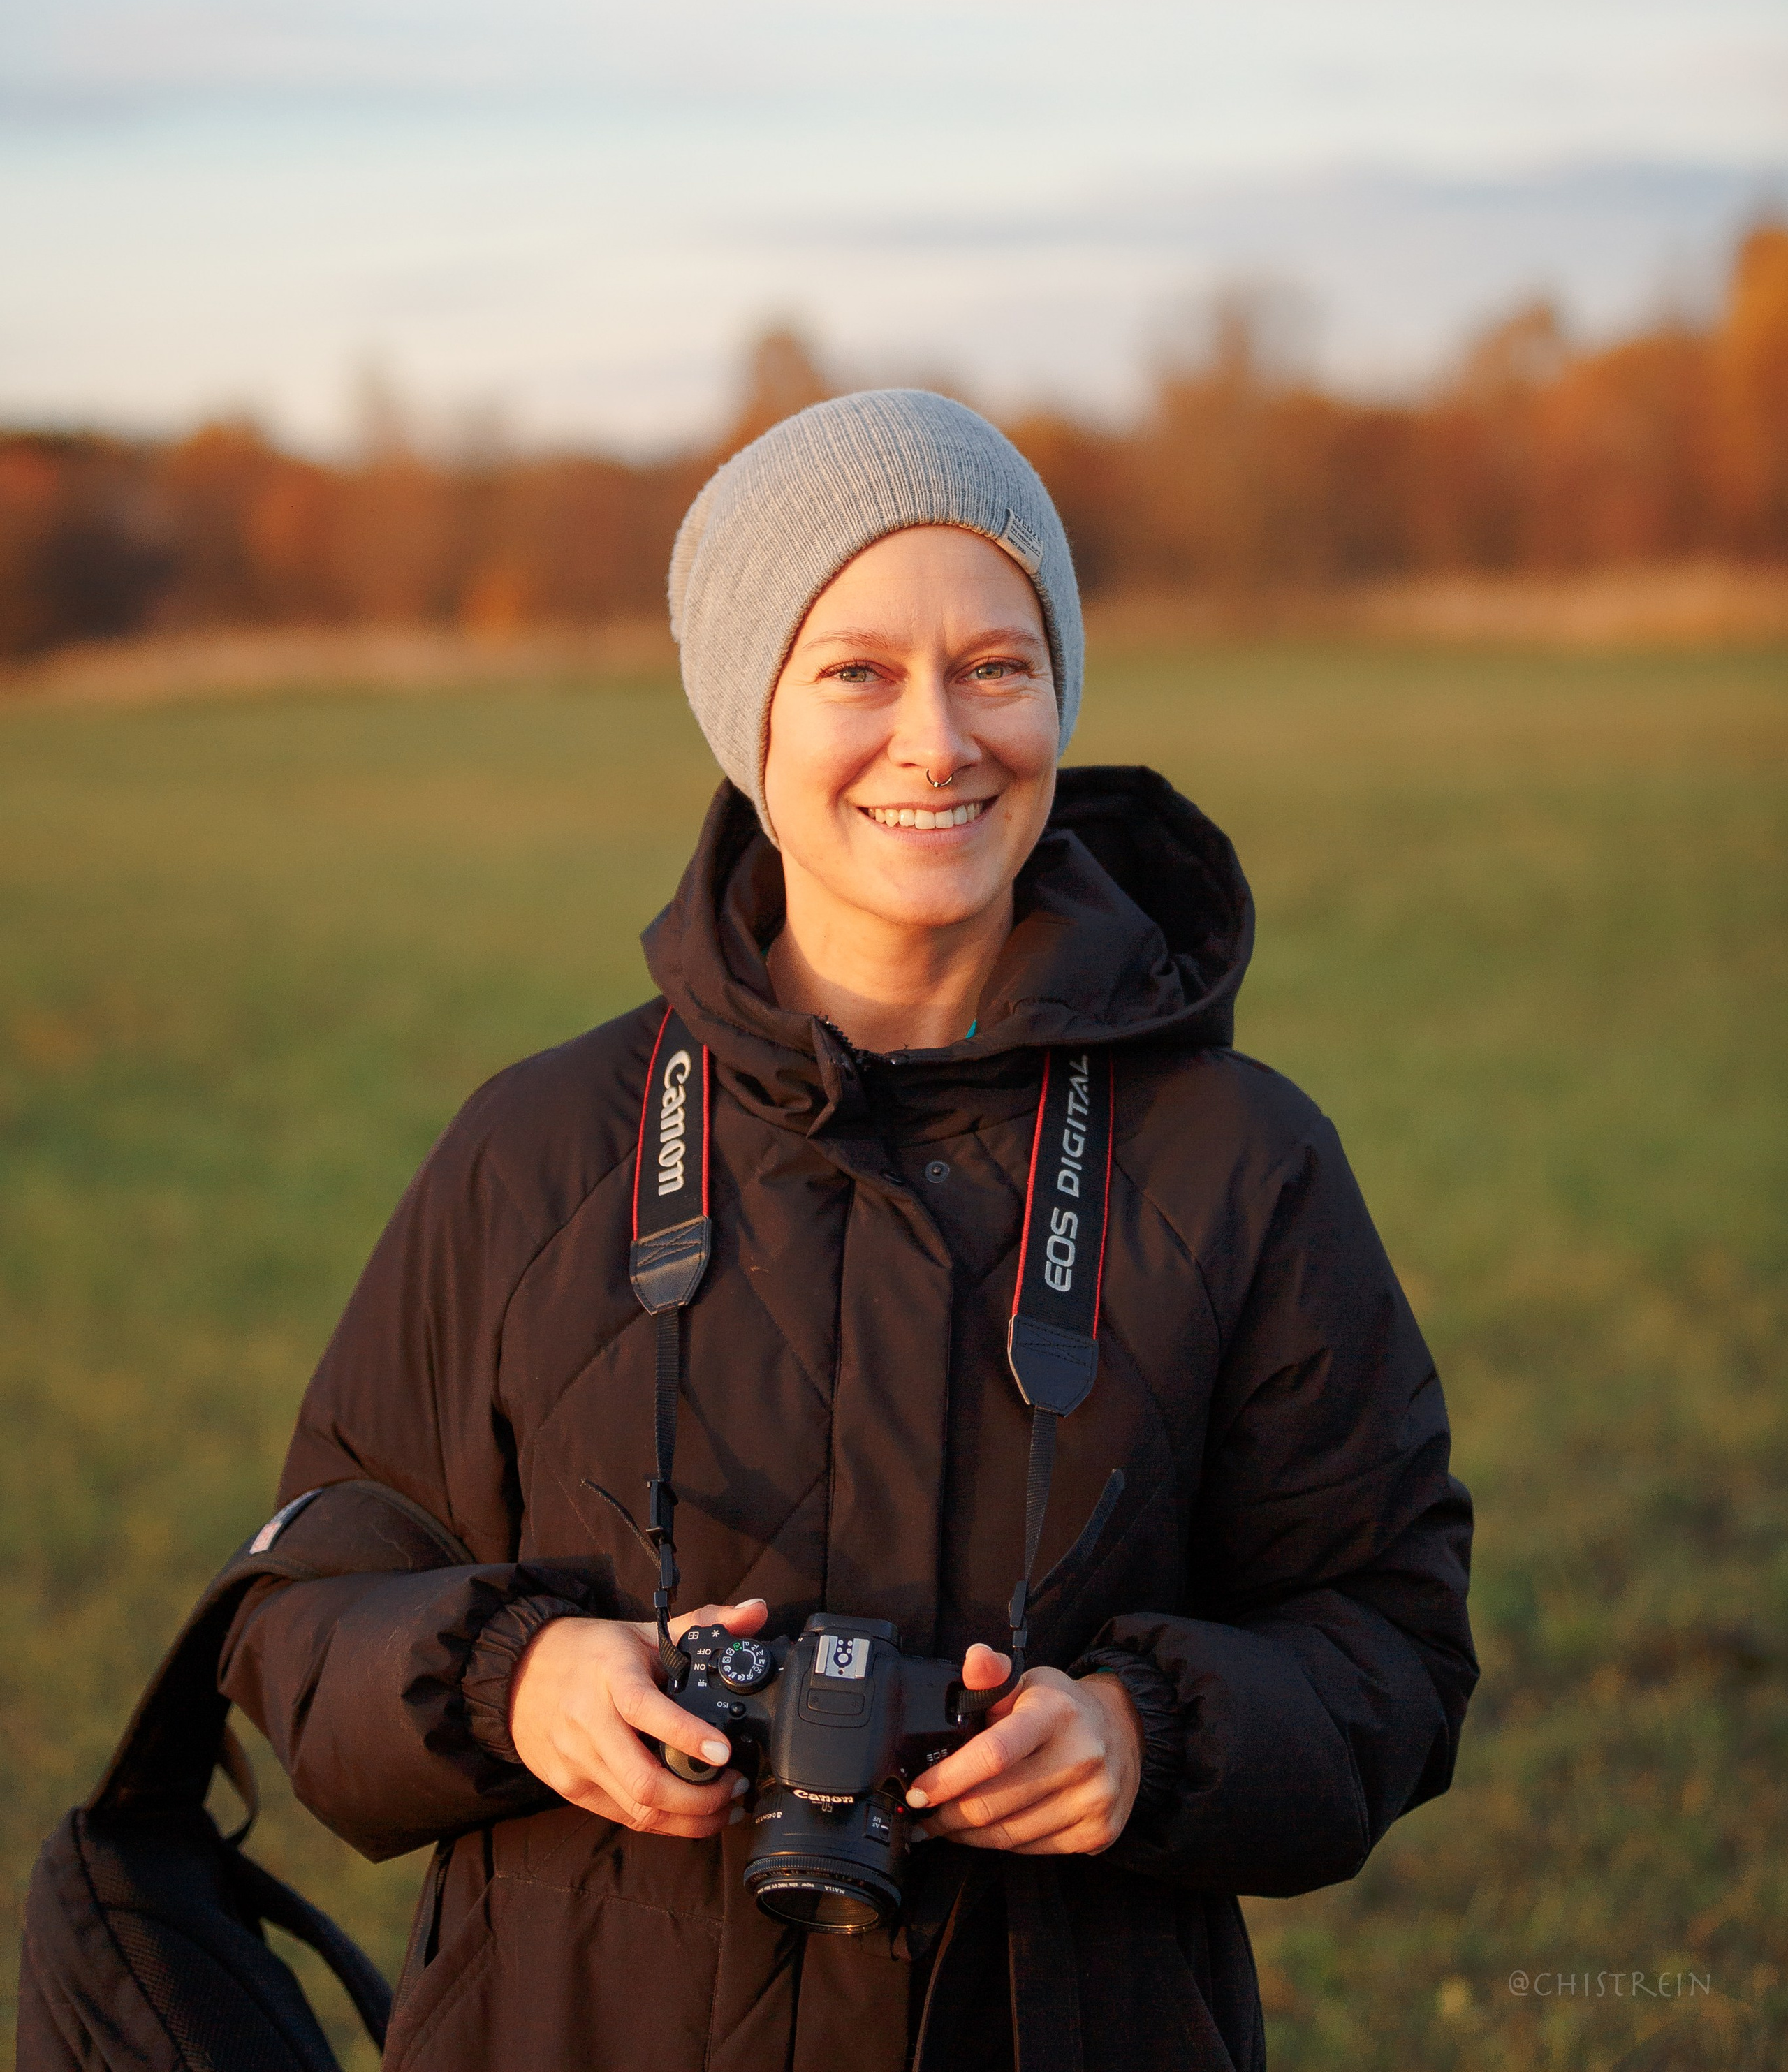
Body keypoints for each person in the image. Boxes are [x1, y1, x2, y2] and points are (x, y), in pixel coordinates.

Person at [221, 390, 1476, 2072]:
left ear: (1057, 693)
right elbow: (298, 1607)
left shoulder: (1238, 1166)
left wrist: (1141, 1735)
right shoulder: (538, 1153)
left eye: (994, 666)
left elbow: (1387, 1641)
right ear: (747, 714)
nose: (937, 742)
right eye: (856, 671)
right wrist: (512, 1684)